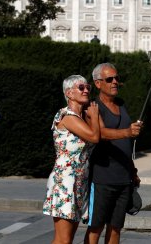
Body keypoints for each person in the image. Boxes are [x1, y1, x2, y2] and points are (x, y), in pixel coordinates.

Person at [85, 63, 142, 244]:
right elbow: (100, 134)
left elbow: (124, 143)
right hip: (102, 178)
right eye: (110, 79)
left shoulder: (121, 104)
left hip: (123, 178)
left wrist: (132, 170)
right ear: (98, 83)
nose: (115, 82)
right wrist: (127, 132)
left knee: (116, 228)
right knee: (96, 228)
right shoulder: (93, 107)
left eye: (117, 78)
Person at [43, 75, 100, 244]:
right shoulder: (67, 117)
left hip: (79, 181)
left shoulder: (81, 117)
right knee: (63, 240)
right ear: (69, 93)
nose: (86, 91)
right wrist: (95, 116)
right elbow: (94, 137)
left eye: (88, 87)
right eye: (81, 88)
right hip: (65, 181)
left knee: (68, 238)